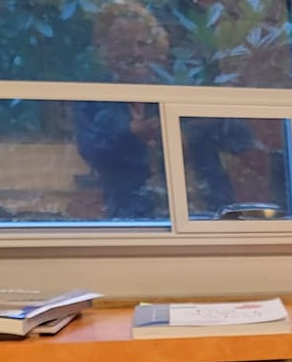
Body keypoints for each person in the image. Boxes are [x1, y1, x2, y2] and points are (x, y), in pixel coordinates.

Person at [73, 1, 248, 221]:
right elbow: (93, 152)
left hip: (208, 215)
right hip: (135, 220)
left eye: (143, 43)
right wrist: (132, 134)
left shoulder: (182, 88)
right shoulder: (93, 98)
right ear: (103, 47)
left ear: (158, 47)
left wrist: (214, 116)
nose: (135, 52)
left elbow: (241, 141)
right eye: (123, 44)